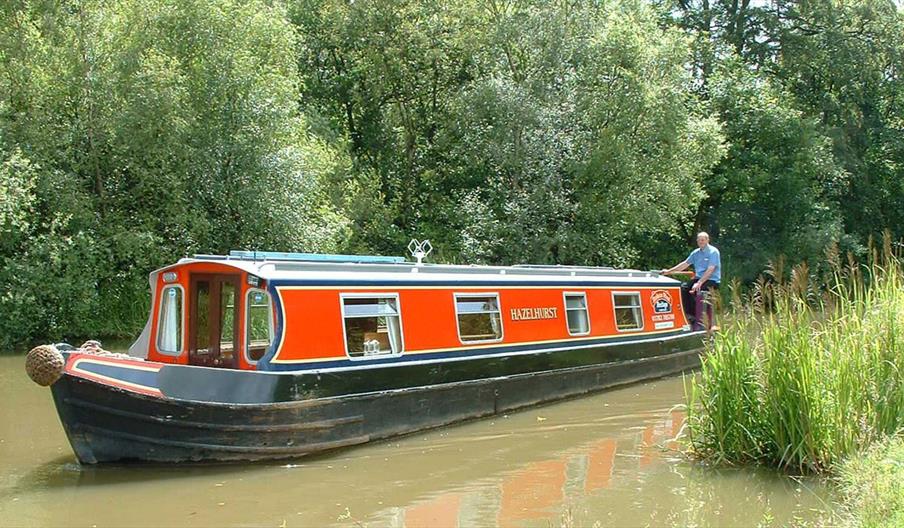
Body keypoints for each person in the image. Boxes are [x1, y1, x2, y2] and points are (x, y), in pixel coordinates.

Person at [661, 232, 721, 332]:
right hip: (698, 278)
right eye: (699, 240)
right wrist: (668, 271)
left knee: (699, 290)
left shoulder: (713, 252)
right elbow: (685, 264)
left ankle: (702, 322)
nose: (701, 242)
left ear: (707, 240)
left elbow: (711, 270)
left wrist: (699, 282)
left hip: (712, 280)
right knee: (683, 288)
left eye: (703, 240)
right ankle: (690, 315)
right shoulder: (695, 253)